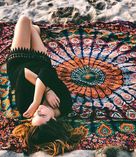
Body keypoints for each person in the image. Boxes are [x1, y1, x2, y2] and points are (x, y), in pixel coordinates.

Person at [6, 15, 85, 155]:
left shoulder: (26, 108)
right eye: (42, 114)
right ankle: (34, 31)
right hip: (41, 61)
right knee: (32, 29)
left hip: (18, 62)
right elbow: (47, 72)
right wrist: (47, 91)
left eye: (35, 116)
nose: (37, 110)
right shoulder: (64, 104)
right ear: (53, 119)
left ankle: (33, 30)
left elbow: (23, 73)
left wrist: (38, 99)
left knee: (24, 20)